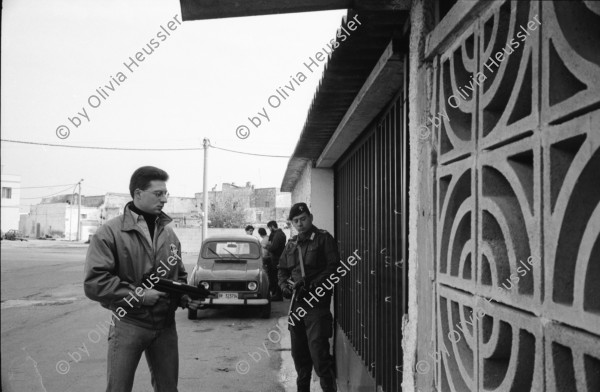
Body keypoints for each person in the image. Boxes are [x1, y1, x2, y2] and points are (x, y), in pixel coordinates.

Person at [84, 166, 203, 392]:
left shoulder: (169, 233)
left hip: (165, 326)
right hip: (129, 323)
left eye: (165, 194)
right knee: (118, 388)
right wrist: (139, 296)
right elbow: (95, 283)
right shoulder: (109, 233)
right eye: (158, 194)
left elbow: (178, 275)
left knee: (168, 388)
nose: (164, 200)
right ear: (138, 194)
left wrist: (185, 297)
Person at [278, 203, 340, 392]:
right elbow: (281, 269)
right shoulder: (291, 244)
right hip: (297, 307)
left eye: (303, 219)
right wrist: (283, 286)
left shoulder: (323, 239)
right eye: (296, 221)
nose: (300, 223)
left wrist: (313, 285)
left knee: (320, 358)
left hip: (316, 307)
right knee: (300, 360)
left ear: (310, 218)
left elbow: (334, 268)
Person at [266, 220, 286, 301]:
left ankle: (278, 295)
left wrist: (267, 247)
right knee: (275, 277)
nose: (269, 229)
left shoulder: (278, 235)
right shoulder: (279, 233)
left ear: (272, 226)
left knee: (276, 277)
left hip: (277, 259)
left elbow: (273, 247)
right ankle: (276, 294)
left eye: (269, 228)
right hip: (278, 258)